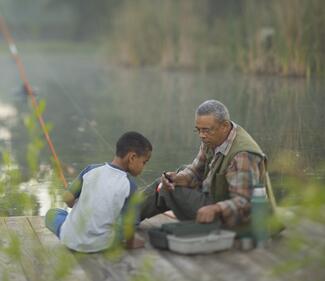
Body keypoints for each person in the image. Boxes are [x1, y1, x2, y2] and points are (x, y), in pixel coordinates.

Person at [141, 99, 276, 228]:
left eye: (206, 130)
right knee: (169, 179)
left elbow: (244, 203)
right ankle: (127, 210)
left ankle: (127, 216)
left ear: (224, 126)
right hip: (214, 195)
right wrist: (177, 178)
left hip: (236, 220)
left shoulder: (242, 155)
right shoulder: (213, 138)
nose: (201, 135)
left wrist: (215, 209)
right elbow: (195, 171)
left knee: (166, 189)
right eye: (198, 130)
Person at [45, 131, 152, 253]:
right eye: (144, 162)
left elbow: (67, 198)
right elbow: (130, 225)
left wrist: (75, 203)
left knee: (52, 214)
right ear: (132, 157)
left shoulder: (91, 169)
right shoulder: (130, 185)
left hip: (70, 239)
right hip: (102, 245)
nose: (144, 167)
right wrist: (131, 243)